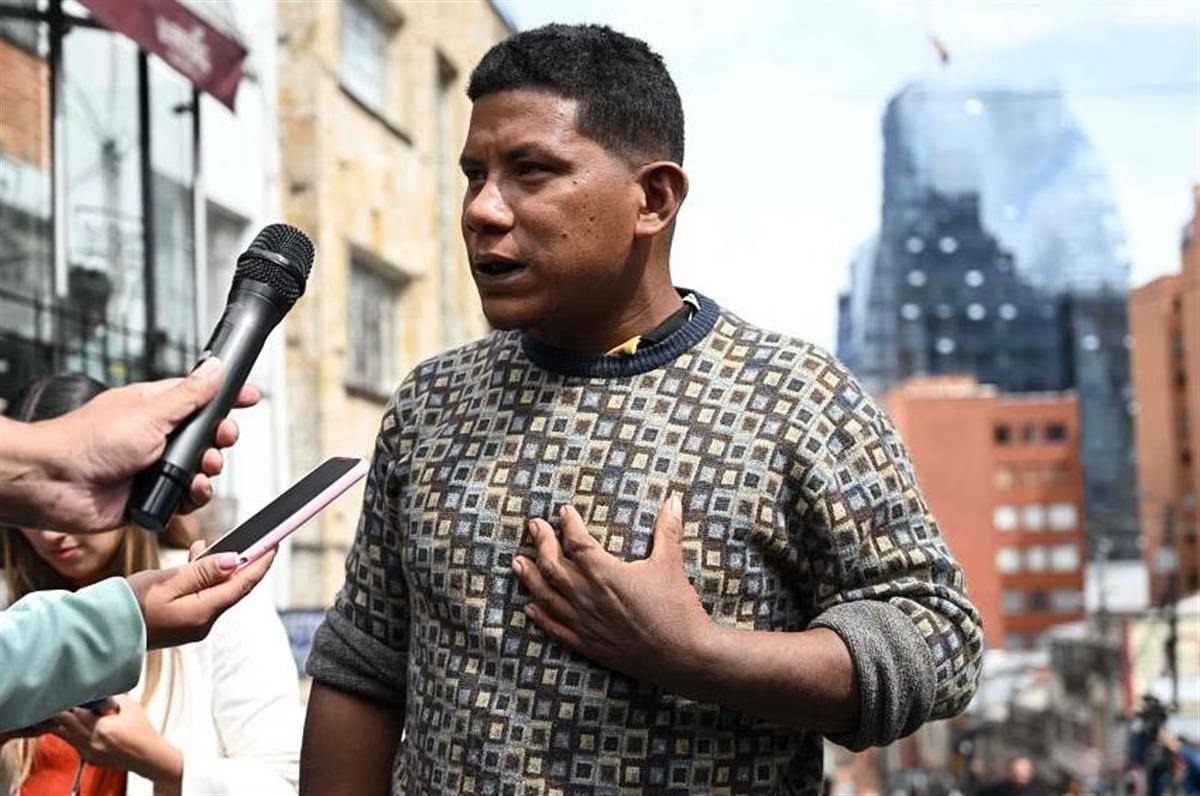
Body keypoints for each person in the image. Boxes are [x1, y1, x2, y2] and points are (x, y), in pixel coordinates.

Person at [300, 23, 983, 794]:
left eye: (531, 172)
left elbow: (941, 641)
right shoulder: (430, 405)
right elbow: (363, 665)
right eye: (473, 174)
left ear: (652, 199)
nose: (483, 209)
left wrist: (698, 655)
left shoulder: (798, 399)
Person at [0, 374, 302, 795]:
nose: (53, 531)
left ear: (129, 475)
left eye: (73, 484)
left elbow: (286, 785)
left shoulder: (210, 600)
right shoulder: (11, 616)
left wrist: (161, 763)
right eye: (32, 501)